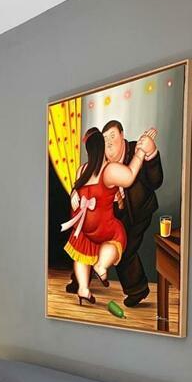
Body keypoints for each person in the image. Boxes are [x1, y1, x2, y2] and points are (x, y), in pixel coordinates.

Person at [66, 120, 163, 306]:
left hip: (135, 211)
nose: (109, 142)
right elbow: (127, 175)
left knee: (120, 249)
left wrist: (149, 152)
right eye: (104, 139)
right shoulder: (102, 166)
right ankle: (86, 278)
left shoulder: (135, 149)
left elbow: (155, 181)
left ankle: (135, 289)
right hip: (106, 217)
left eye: (112, 136)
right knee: (98, 244)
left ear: (122, 135)